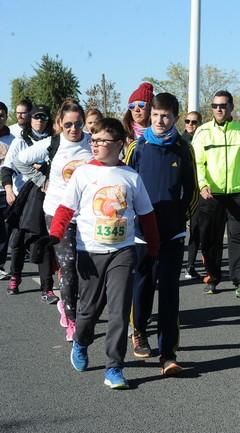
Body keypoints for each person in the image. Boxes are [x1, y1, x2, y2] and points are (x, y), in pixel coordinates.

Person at [48, 117, 159, 389]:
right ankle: (82, 341)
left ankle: (114, 367)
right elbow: (65, 209)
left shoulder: (131, 177)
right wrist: (54, 234)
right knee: (89, 311)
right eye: (93, 139)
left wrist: (154, 247)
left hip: (123, 252)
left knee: (120, 311)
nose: (95, 144)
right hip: (89, 252)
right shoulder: (83, 173)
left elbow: (147, 215)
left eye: (102, 141)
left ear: (119, 144)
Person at [124, 92, 198, 373]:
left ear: (175, 118)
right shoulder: (138, 148)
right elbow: (125, 187)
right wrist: (132, 221)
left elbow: (191, 190)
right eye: (155, 115)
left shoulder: (183, 148)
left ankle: (168, 353)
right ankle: (139, 331)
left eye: (165, 116)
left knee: (169, 291)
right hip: (142, 232)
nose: (159, 120)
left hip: (173, 233)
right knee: (142, 285)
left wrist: (181, 219)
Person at [14, 99, 92, 341]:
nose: (73, 129)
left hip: (88, 215)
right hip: (58, 213)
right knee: (68, 268)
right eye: (68, 124)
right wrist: (41, 181)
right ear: (59, 123)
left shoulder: (92, 142)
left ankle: (75, 304)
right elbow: (19, 161)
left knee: (85, 269)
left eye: (78, 124)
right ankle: (71, 319)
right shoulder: (52, 143)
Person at [192, 90, 240, 298]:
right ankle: (212, 276)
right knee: (211, 240)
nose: (219, 109)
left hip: (238, 195)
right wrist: (202, 185)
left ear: (231, 107)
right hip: (210, 195)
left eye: (223, 105)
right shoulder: (202, 132)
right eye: (215, 106)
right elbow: (197, 164)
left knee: (239, 239)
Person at [1, 104, 57, 302]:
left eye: (43, 117)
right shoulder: (20, 142)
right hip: (20, 197)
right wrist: (8, 190)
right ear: (30, 119)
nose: (39, 121)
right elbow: (7, 168)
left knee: (43, 241)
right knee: (17, 240)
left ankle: (47, 287)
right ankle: (15, 277)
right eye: (36, 117)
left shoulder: (54, 142)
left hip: (44, 196)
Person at [181, 110, 203, 279]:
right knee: (182, 232)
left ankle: (190, 266)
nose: (190, 124)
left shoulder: (203, 140)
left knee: (196, 231)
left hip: (201, 192)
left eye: (194, 122)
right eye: (187, 121)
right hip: (183, 193)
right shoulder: (180, 142)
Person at [0, 102, 14, 279]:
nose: (0, 118)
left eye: (2, 115)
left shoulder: (11, 140)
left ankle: (0, 263)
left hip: (6, 190)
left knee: (4, 229)